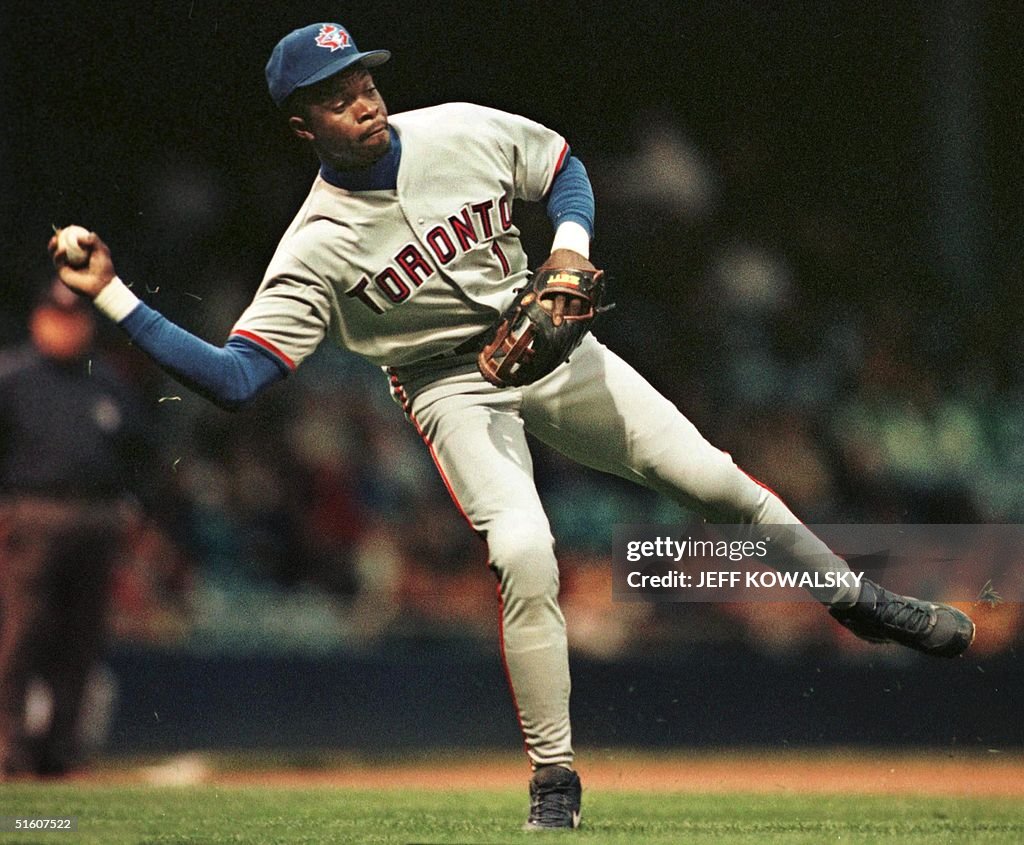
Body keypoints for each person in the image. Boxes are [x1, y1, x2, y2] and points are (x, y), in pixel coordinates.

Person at [48, 22, 975, 829]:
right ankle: (555, 775)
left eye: (363, 81)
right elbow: (236, 377)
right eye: (335, 99)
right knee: (526, 550)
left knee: (719, 480)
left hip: (550, 338)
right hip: (449, 385)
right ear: (303, 128)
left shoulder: (458, 128)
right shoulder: (315, 243)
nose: (362, 102)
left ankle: (858, 601)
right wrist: (115, 296)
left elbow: (562, 168)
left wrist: (568, 248)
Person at [0, 280, 149, 777]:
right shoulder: (12, 378)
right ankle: (10, 748)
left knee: (81, 638)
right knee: (21, 634)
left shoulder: (106, 381)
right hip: (31, 513)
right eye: (57, 317)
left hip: (97, 517)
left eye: (75, 318)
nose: (66, 327)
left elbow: (140, 452)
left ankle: (60, 750)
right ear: (37, 320)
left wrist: (130, 506)